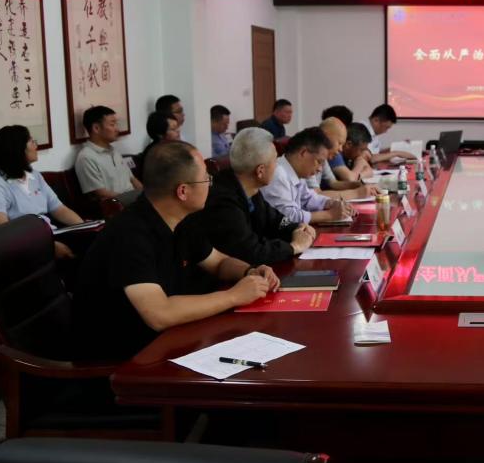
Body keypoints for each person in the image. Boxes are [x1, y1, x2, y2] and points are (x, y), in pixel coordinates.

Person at [72, 141, 279, 360]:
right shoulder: (129, 234)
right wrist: (233, 296)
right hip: (123, 357)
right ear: (183, 191)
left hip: (166, 340)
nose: (210, 184)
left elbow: (218, 263)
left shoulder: (182, 219)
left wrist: (250, 272)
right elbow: (159, 314)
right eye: (206, 178)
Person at [192, 128, 317, 265]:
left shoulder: (251, 189)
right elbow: (252, 253)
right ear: (260, 171)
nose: (277, 166)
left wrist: (298, 228)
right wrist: (294, 247)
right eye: (275, 161)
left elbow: (276, 220)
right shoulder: (223, 203)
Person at [0, 125, 86, 259]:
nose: (36, 145)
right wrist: (50, 247)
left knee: (98, 239)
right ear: (18, 148)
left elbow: (59, 209)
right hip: (22, 248)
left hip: (50, 235)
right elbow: (2, 229)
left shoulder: (34, 175)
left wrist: (84, 227)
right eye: (31, 142)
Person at [261, 126, 355, 226]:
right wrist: (329, 215)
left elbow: (308, 198)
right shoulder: (277, 174)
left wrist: (331, 203)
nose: (320, 169)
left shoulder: (296, 173)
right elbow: (287, 218)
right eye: (319, 162)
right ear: (304, 153)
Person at [74, 106, 142, 204]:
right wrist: (132, 200)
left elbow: (132, 179)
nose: (117, 129)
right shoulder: (86, 157)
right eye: (112, 124)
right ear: (96, 128)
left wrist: (145, 196)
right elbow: (102, 194)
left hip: (134, 201)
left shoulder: (114, 151)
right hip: (118, 205)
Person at [136, 111, 181, 176]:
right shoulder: (156, 154)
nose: (178, 131)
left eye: (177, 127)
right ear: (160, 134)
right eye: (173, 129)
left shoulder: (174, 147)